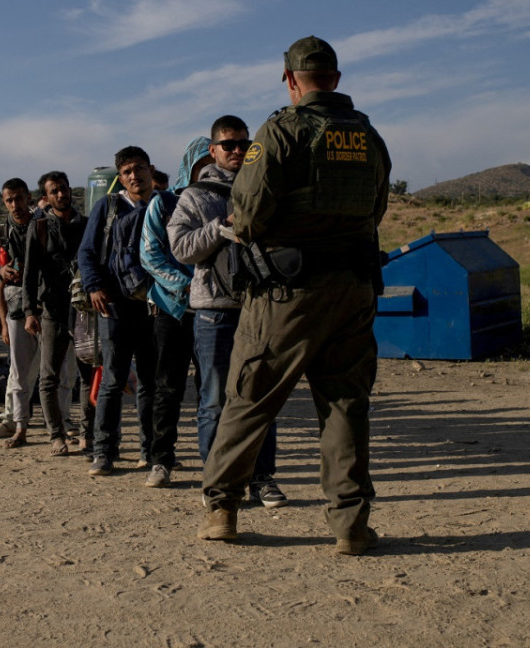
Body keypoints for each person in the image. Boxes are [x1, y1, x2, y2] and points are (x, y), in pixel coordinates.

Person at [196, 37, 390, 557]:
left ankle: (223, 510)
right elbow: (375, 210)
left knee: (250, 396)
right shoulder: (369, 136)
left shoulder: (280, 131)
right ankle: (350, 525)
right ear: (336, 77)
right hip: (352, 289)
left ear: (290, 79)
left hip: (287, 294)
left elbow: (252, 214)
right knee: (346, 404)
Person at [169, 115, 288, 508]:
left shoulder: (265, 187)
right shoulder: (195, 196)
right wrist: (223, 226)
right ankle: (217, 482)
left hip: (260, 307)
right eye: (229, 144)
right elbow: (182, 248)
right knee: (215, 400)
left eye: (243, 144)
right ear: (212, 151)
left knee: (261, 398)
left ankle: (263, 478)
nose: (237, 151)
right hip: (215, 313)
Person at [77, 146, 159, 476]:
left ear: (151, 169)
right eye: (126, 171)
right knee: (112, 381)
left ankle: (150, 451)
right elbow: (87, 252)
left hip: (156, 307)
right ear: (120, 177)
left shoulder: (164, 205)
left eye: (139, 168)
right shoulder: (107, 207)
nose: (134, 175)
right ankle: (104, 452)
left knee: (152, 383)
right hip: (115, 307)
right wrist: (94, 286)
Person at [135, 138, 203, 487]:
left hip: (213, 311)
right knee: (167, 386)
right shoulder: (164, 203)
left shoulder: (223, 200)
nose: (207, 170)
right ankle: (161, 460)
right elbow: (150, 255)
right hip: (172, 309)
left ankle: (217, 460)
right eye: (201, 163)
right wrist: (187, 285)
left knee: (212, 388)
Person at [23, 171, 91, 457]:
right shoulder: (38, 227)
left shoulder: (87, 225)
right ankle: (56, 435)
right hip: (51, 310)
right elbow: (29, 274)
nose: (61, 194)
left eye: (63, 188)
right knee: (49, 376)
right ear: (46, 197)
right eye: (54, 191)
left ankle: (88, 434)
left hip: (84, 312)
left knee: (88, 375)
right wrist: (29, 311)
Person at [0, 178, 38, 448]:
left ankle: (63, 424)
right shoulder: (0, 233)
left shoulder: (42, 225)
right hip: (16, 307)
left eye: (18, 198)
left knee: (52, 373)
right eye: (9, 200)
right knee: (19, 372)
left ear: (28, 197)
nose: (14, 204)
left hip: (44, 305)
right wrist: (1, 271)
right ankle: (17, 424)